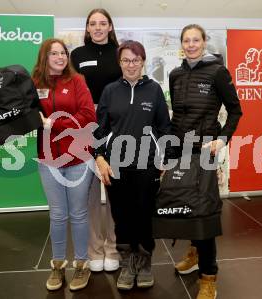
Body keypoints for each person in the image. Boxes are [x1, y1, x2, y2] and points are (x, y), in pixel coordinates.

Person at [0, 38, 96, 292]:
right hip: (48, 158)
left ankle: (82, 265)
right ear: (45, 57)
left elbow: (88, 116)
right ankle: (58, 264)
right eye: (54, 53)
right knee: (57, 215)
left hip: (79, 157)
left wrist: (55, 124)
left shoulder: (77, 81)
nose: (60, 57)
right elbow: (6, 102)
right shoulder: (31, 83)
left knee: (79, 214)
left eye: (63, 53)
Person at [169, 24, 242, 299]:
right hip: (179, 150)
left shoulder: (217, 72)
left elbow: (235, 110)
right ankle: (195, 252)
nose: (190, 45)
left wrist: (222, 139)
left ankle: (209, 276)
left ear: (203, 41)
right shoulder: (175, 74)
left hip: (205, 152)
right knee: (185, 207)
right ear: (182, 43)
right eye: (186, 40)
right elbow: (177, 114)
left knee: (205, 212)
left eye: (195, 40)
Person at [94, 40, 171, 290]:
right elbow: (100, 130)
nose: (131, 64)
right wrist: (100, 157)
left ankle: (145, 261)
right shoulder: (110, 91)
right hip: (116, 166)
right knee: (122, 217)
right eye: (126, 60)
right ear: (120, 63)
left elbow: (163, 128)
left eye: (135, 60)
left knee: (144, 216)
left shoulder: (154, 90)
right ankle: (128, 263)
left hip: (147, 165)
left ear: (143, 61)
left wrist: (163, 158)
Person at [70, 8, 122, 273]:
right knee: (88, 194)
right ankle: (94, 250)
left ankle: (113, 248)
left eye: (103, 23)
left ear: (110, 27)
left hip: (115, 129)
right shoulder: (77, 55)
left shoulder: (120, 54)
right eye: (93, 23)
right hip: (85, 128)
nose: (98, 27)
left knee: (114, 191)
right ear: (87, 28)